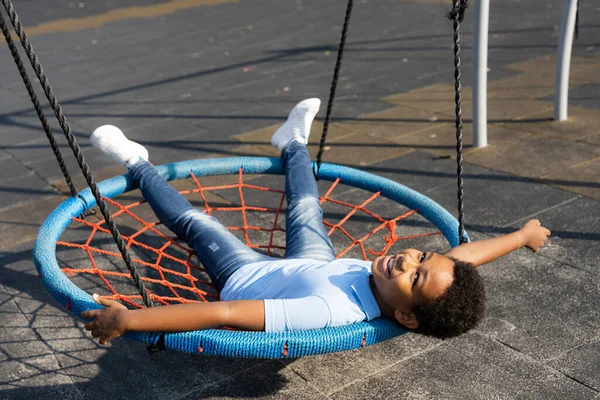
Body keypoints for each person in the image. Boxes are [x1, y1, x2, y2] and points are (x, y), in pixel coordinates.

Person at [82, 98, 551, 345]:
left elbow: (223, 314)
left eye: (414, 276)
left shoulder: (328, 313)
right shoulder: (394, 282)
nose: (407, 259)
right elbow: (464, 256)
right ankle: (291, 143)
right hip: (317, 265)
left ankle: (137, 162)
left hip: (245, 277)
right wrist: (522, 235)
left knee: (195, 222)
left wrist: (130, 319)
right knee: (306, 203)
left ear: (404, 315)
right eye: (421, 256)